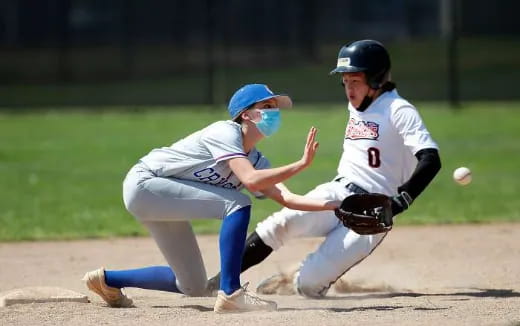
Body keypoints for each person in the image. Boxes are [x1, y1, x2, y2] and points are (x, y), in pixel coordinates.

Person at [207, 40, 442, 298]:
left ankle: (294, 279)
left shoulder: (399, 110)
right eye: (345, 81)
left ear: (375, 79)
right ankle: (219, 282)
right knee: (280, 223)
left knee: (308, 286)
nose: (348, 88)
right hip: (337, 190)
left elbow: (431, 159)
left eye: (355, 80)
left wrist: (400, 201)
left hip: (373, 211)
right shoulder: (358, 103)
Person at [82, 83, 340, 313]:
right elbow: (249, 180)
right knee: (237, 202)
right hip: (145, 184)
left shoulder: (258, 161)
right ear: (245, 114)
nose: (275, 112)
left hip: (164, 198)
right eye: (267, 106)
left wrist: (336, 207)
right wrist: (301, 165)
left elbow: (288, 199)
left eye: (276, 107)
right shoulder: (225, 132)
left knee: (193, 285)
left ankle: (107, 280)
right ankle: (231, 293)